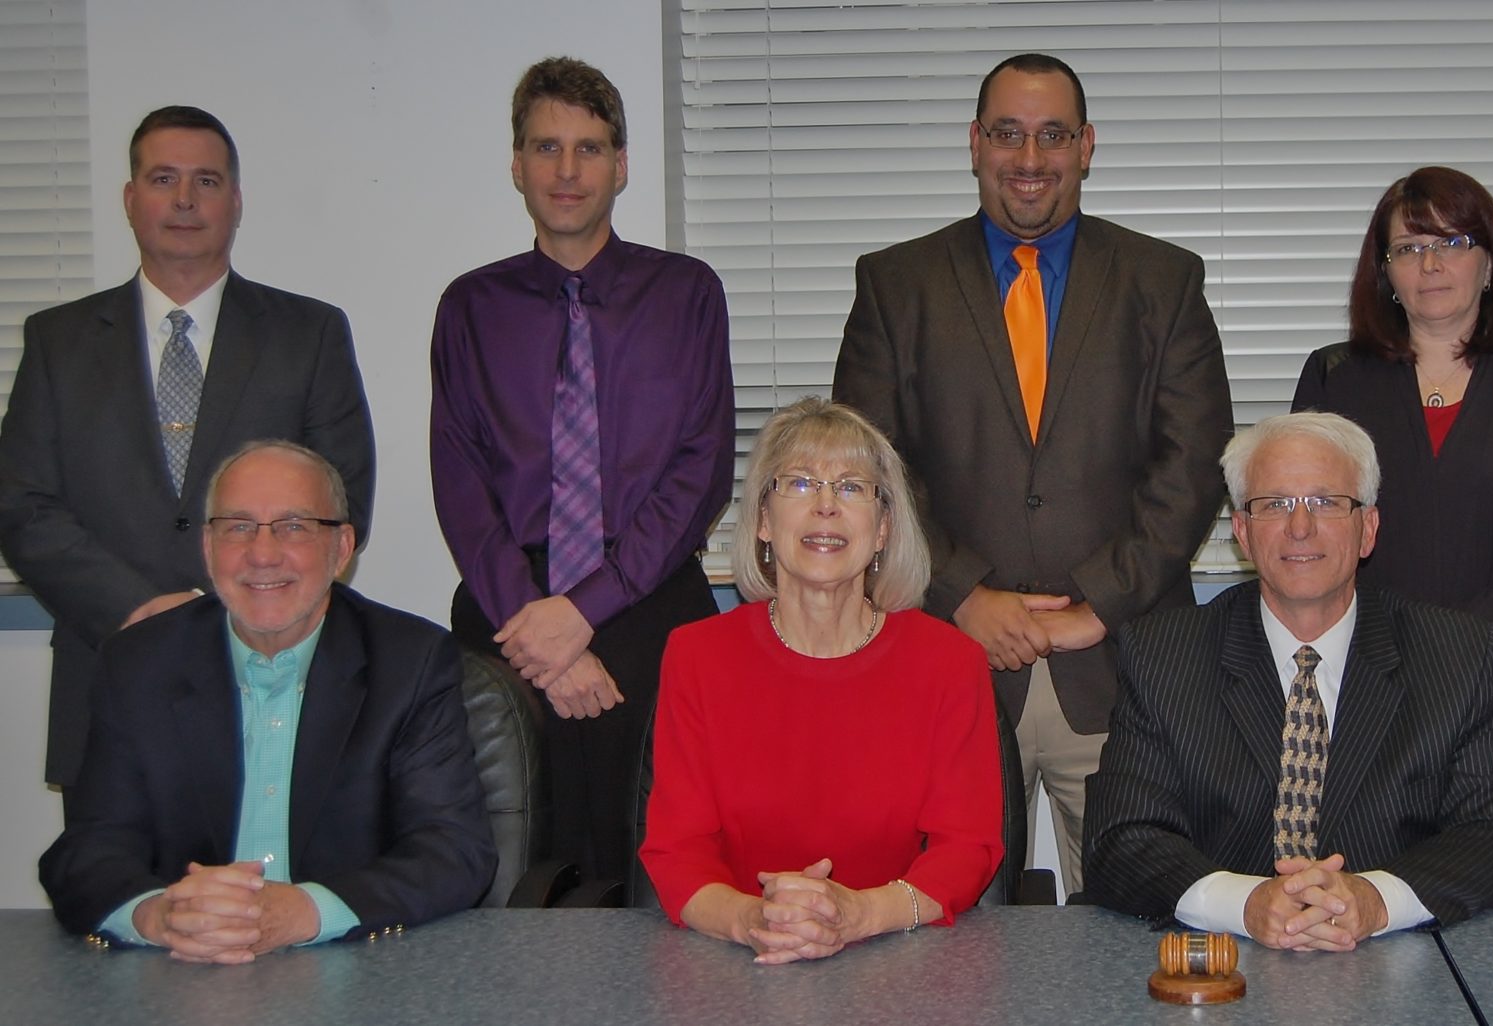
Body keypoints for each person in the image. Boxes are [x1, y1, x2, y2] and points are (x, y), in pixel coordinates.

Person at [834, 52, 1231, 894]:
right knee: (948, 941)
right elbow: (869, 469)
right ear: (974, 143)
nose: (1029, 158)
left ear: (1087, 146)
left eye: (1052, 135)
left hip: (1120, 664)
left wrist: (1095, 605)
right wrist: (964, 596)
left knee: (1136, 931)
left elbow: (1191, 466)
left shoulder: (1164, 281)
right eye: (1008, 134)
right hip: (947, 664)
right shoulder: (895, 284)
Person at [0, 105, 375, 790]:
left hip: (270, 671)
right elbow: (23, 507)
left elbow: (343, 500)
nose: (183, 200)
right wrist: (138, 609)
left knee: (260, 887)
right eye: (163, 178)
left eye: (206, 182)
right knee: (118, 892)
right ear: (129, 198)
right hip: (106, 667)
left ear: (235, 202)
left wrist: (223, 611)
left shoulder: (307, 333)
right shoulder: (58, 340)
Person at [430, 56, 734, 885]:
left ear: (622, 165)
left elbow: (701, 471)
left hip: (650, 598)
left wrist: (586, 611)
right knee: (516, 864)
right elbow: (459, 481)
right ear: (517, 165)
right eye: (546, 148)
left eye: (590, 149)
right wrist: (542, 627)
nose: (568, 171)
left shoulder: (687, 294)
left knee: (659, 862)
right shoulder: (470, 307)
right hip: (508, 612)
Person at [1083, 412, 1493, 950]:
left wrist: (1373, 899)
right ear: (1243, 533)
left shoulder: (1456, 655)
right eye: (1275, 505)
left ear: (1368, 529)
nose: (1300, 527)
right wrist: (1245, 904)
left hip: (1402, 960)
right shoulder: (1164, 657)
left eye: (1325, 502)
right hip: (1225, 965)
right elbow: (1120, 839)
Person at [40, 441, 493, 961]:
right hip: (184, 972)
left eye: (294, 526)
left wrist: (308, 911)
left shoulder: (408, 661)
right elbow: (87, 849)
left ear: (342, 548)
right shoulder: (138, 663)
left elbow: (452, 850)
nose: (262, 554)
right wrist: (156, 915)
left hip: (353, 968)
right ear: (208, 547)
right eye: (237, 526)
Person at [641, 398, 1001, 964]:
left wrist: (857, 915)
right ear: (763, 520)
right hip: (736, 965)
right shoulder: (697, 656)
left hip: (899, 963)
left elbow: (967, 847)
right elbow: (676, 851)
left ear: (882, 530)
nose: (827, 506)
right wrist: (752, 919)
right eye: (801, 484)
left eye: (852, 488)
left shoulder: (949, 662)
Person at [1292, 166, 1493, 798]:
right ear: (1387, 274)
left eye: (1452, 243)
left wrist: (1454, 652)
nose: (1430, 264)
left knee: (1490, 889)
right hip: (1364, 681)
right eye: (1409, 248)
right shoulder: (1334, 378)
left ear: (1490, 263)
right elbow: (1308, 533)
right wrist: (1388, 654)